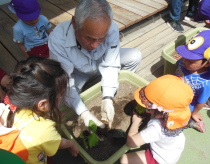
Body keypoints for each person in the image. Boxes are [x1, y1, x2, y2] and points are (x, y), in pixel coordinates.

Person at [48, 0, 142, 128]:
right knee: (59, 101)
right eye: (89, 38)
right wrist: (85, 113)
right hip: (77, 73)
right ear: (74, 23)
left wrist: (108, 97)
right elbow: (65, 80)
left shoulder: (112, 29)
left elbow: (110, 64)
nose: (95, 45)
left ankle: (113, 91)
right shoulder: (58, 39)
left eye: (101, 38)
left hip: (100, 65)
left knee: (134, 56)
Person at [0, 57, 79, 163]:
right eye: (60, 95)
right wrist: (71, 144)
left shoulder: (9, 104)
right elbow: (58, 142)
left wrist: (44, 116)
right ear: (42, 104)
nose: (61, 98)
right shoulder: (45, 131)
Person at [120, 75, 193, 164]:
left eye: (148, 107)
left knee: (124, 159)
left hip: (160, 160)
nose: (147, 109)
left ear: (159, 111)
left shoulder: (157, 128)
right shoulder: (179, 113)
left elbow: (131, 143)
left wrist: (136, 122)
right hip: (172, 151)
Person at [175, 30, 210, 133]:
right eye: (184, 56)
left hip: (186, 103)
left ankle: (190, 121)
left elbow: (201, 101)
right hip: (174, 89)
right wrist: (186, 58)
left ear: (207, 64)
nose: (184, 61)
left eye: (190, 60)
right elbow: (179, 64)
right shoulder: (183, 62)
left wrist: (194, 113)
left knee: (179, 118)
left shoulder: (205, 83)